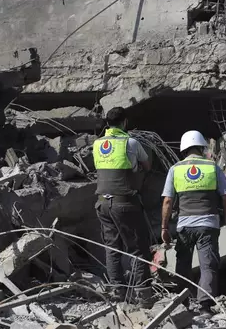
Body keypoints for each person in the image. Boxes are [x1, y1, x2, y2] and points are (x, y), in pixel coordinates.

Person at [160, 130, 226, 317]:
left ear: (184, 150)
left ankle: (183, 303)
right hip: (208, 225)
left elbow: (167, 201)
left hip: (184, 226)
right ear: (202, 148)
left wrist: (164, 227)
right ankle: (205, 307)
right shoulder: (212, 167)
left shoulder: (175, 169)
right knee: (208, 265)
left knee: (183, 265)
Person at [92, 107, 153, 305]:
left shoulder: (97, 144)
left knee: (112, 248)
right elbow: (147, 166)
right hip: (124, 202)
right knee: (137, 248)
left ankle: (117, 292)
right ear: (125, 122)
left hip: (102, 203)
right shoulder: (131, 142)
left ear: (107, 124)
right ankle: (143, 294)